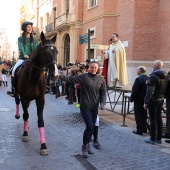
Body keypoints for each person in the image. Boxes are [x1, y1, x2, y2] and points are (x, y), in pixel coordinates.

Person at [59, 61, 106, 158]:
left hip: (94, 107)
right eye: (92, 67)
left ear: (98, 69)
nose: (94, 69)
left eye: (95, 67)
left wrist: (102, 103)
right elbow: (70, 79)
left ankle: (87, 145)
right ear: (89, 68)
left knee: (92, 127)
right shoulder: (84, 77)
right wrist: (59, 75)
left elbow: (103, 92)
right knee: (89, 127)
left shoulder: (101, 79)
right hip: (85, 106)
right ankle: (85, 147)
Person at [7, 21, 38, 96]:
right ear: (24, 28)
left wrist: (33, 56)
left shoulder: (35, 40)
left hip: (32, 59)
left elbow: (36, 49)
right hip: (23, 59)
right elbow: (21, 48)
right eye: (28, 27)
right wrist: (24, 54)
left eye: (31, 27)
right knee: (14, 70)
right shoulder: (20, 39)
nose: (30, 28)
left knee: (43, 70)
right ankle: (13, 89)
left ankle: (45, 86)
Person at [143, 60, 168, 145]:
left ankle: (152, 138)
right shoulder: (166, 75)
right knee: (159, 118)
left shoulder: (153, 76)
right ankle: (159, 138)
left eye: (153, 64)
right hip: (160, 99)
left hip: (153, 100)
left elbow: (150, 91)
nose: (152, 65)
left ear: (156, 66)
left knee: (153, 119)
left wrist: (146, 102)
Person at [130, 66, 148, 135]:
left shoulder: (138, 79)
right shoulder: (148, 78)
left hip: (138, 100)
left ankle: (139, 130)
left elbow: (135, 90)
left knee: (138, 115)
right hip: (145, 100)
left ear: (140, 71)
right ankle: (144, 128)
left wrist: (131, 98)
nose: (137, 71)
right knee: (144, 114)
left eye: (137, 70)